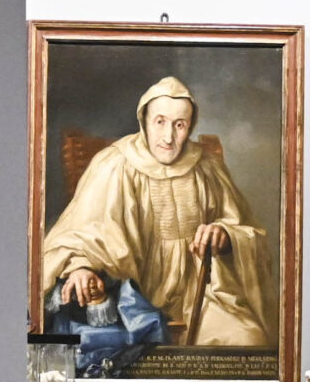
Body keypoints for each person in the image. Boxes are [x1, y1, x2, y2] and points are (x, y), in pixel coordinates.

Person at [39, 76, 271, 350]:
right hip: (130, 303)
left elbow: (250, 233)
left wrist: (225, 234)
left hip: (201, 298)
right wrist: (81, 268)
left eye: (179, 125)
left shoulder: (206, 167)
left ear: (190, 126)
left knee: (248, 341)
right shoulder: (113, 165)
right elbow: (79, 234)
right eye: (160, 122)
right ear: (144, 121)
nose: (168, 137)